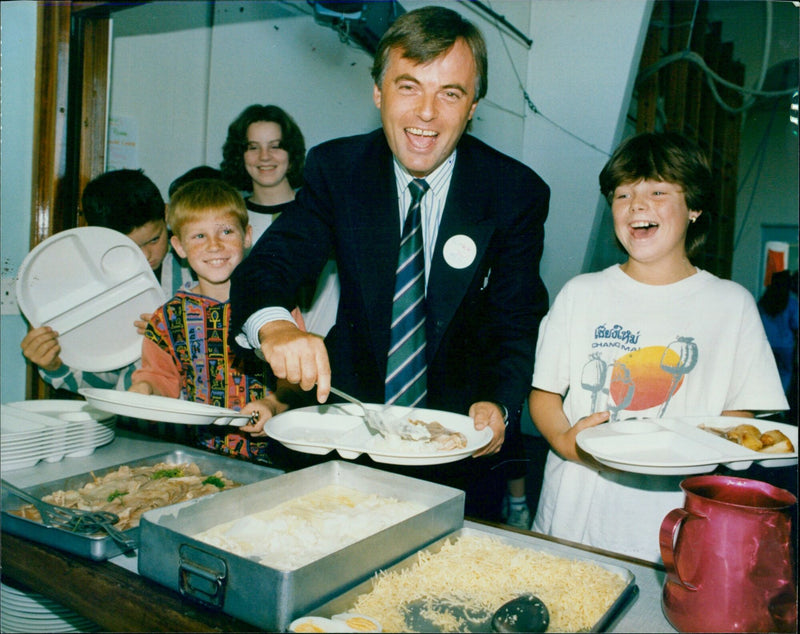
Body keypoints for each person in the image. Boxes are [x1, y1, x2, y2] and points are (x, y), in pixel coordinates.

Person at [229, 6, 550, 520]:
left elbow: (518, 320)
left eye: (450, 93)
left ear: (472, 107)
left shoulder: (514, 192)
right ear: (377, 93)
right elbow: (271, 264)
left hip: (458, 458)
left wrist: (502, 405)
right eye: (408, 87)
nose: (427, 113)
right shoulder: (339, 171)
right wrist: (274, 327)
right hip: (346, 446)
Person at [528, 131, 788, 562]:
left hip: (671, 516)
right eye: (623, 193)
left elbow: (743, 412)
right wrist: (567, 443)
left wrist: (700, 446)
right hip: (575, 510)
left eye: (658, 191)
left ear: (695, 207)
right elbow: (544, 394)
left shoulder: (730, 304)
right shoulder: (581, 293)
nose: (637, 204)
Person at [129, 178, 302, 463]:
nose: (214, 246)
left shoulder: (276, 311)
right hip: (200, 457)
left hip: (276, 457)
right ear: (179, 246)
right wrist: (145, 390)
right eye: (199, 236)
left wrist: (272, 403)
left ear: (247, 236)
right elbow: (159, 378)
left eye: (226, 231)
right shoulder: (167, 318)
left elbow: (297, 382)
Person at [20, 169, 195, 393]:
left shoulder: (198, 271)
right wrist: (54, 366)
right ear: (98, 238)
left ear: (167, 214)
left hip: (193, 422)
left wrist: (180, 337)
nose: (146, 256)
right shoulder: (94, 289)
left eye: (154, 239)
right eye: (128, 248)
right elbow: (101, 381)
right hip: (127, 422)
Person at [221, 103, 339, 336]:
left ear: (291, 153)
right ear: (240, 154)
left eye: (275, 146)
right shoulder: (229, 218)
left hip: (325, 346)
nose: (265, 157)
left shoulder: (324, 211)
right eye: (253, 147)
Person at [758, 269, 798, 396]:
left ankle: (765, 397)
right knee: (785, 372)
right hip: (785, 345)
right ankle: (780, 401)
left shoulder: (763, 302)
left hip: (766, 344)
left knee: (766, 372)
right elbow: (796, 324)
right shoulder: (791, 302)